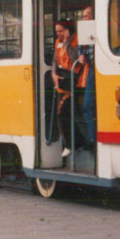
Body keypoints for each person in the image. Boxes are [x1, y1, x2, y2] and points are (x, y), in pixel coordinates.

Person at [50, 21, 77, 158]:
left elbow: (74, 58)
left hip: (73, 78)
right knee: (60, 113)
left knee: (62, 113)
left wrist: (67, 42)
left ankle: (70, 144)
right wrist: (53, 73)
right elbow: (55, 60)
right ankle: (75, 142)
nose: (58, 34)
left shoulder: (75, 40)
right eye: (57, 31)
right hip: (61, 78)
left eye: (60, 31)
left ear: (67, 30)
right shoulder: (57, 42)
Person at [75, 5, 96, 147]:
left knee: (89, 106)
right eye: (82, 16)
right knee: (87, 106)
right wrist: (80, 55)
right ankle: (92, 139)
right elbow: (80, 51)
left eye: (86, 16)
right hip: (91, 72)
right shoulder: (83, 33)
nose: (84, 19)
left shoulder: (98, 30)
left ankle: (94, 138)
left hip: (98, 70)